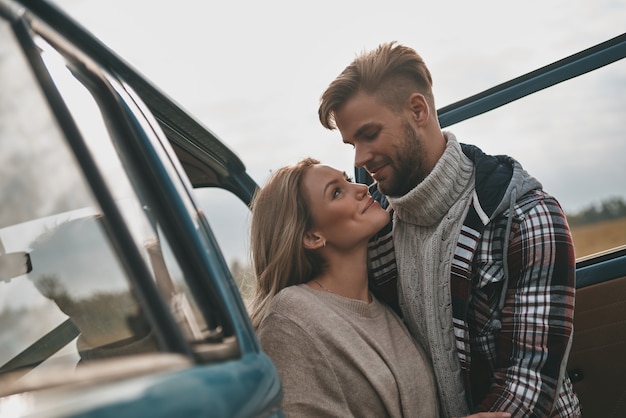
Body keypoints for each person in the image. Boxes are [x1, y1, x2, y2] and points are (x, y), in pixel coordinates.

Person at [317, 41, 581, 417]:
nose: (359, 158)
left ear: (418, 110)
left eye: (370, 134)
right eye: (352, 143)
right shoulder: (374, 229)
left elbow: (526, 389)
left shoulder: (527, 218)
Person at [249, 158, 510, 418]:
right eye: (337, 192)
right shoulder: (291, 317)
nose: (362, 189)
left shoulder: (384, 308)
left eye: (348, 181)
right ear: (312, 237)